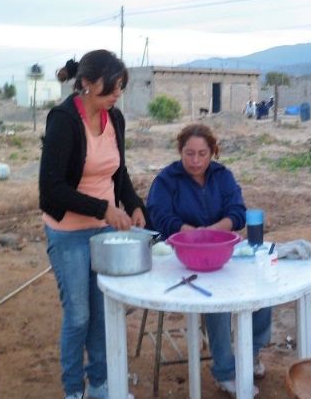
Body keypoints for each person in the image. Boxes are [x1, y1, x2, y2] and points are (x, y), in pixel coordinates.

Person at [39, 49, 144, 399]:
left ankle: (100, 385)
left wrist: (133, 204)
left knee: (102, 313)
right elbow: (51, 187)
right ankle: (74, 390)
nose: (116, 97)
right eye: (110, 90)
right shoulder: (64, 120)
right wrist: (104, 209)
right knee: (79, 315)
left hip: (104, 230)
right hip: (68, 232)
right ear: (85, 84)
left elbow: (120, 171)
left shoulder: (115, 119)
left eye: (119, 90)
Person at [146, 123, 271, 396]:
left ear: (212, 152)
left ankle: (251, 353)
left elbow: (238, 212)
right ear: (180, 151)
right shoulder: (167, 180)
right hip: (181, 257)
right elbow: (159, 216)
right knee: (217, 302)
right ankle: (225, 371)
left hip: (223, 251)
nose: (195, 160)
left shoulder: (222, 176)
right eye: (189, 153)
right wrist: (193, 235)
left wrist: (211, 233)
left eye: (202, 154)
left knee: (264, 288)